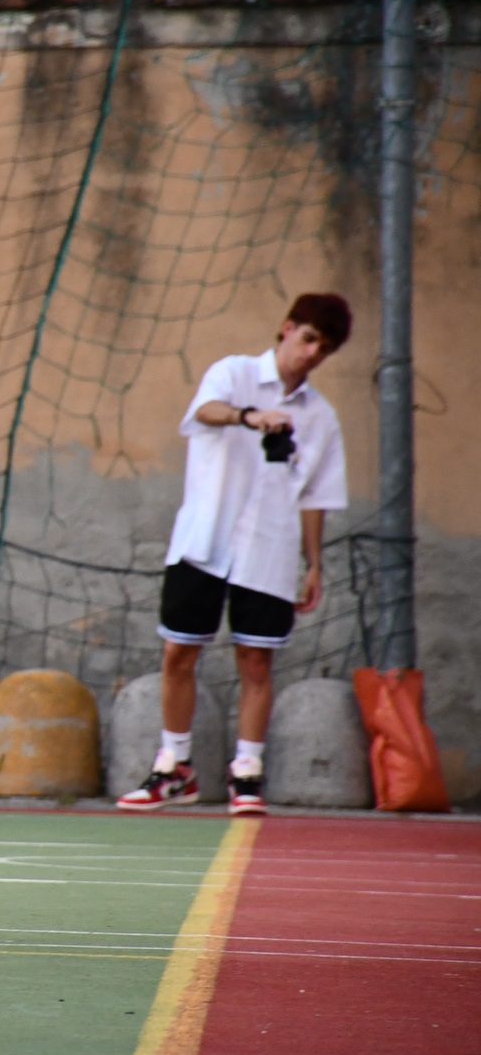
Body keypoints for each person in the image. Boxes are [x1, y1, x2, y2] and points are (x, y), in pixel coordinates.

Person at [118, 294, 351, 817]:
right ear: (287, 328)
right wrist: (250, 417)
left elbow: (316, 496)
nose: (312, 354)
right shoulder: (234, 373)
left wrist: (314, 563)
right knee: (178, 652)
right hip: (205, 539)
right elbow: (204, 411)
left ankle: (247, 771)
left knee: (256, 659)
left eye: (325, 349)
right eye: (309, 339)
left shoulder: (321, 417)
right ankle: (174, 766)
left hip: (268, 549)